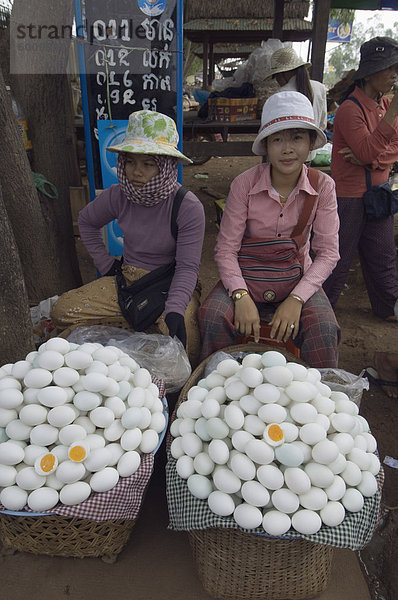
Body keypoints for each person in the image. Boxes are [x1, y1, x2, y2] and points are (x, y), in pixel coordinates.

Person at [198, 91, 340, 368]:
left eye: (297, 137)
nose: (287, 148)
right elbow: (226, 249)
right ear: (265, 145)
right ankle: (210, 386)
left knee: (325, 327)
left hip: (296, 279)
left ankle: (323, 401)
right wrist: (240, 295)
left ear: (311, 143)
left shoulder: (323, 186)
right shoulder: (244, 185)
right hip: (247, 277)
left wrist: (297, 299)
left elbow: (328, 253)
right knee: (211, 315)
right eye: (277, 139)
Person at [51, 110, 205, 366]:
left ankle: (143, 330)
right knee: (62, 311)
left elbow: (188, 267)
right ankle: (136, 329)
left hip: (171, 282)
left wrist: (176, 307)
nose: (136, 172)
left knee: (182, 341)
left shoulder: (188, 206)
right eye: (130, 161)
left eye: (148, 163)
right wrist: (106, 264)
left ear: (166, 165)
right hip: (129, 281)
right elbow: (87, 222)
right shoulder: (119, 195)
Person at [322, 37, 398, 323]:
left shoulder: (386, 103)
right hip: (349, 197)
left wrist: (373, 160)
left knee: (383, 255)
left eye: (396, 68)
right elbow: (368, 148)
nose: (394, 75)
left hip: (378, 191)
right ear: (369, 72)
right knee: (337, 256)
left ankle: (388, 307)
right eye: (388, 68)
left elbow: (378, 150)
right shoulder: (350, 110)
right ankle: (321, 309)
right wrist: (371, 152)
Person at [269, 46, 327, 162]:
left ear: (282, 74)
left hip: (287, 158)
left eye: (276, 77)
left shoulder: (281, 94)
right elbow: (322, 124)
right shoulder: (320, 88)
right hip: (309, 155)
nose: (277, 81)